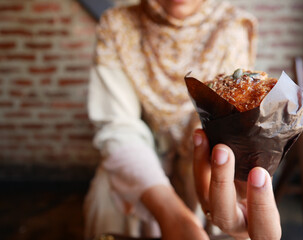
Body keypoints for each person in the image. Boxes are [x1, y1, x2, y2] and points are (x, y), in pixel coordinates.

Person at [84, 0, 281, 239]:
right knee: (105, 196)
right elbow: (118, 127)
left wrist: (223, 176)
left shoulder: (232, 26)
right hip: (137, 160)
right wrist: (173, 215)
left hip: (204, 165)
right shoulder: (117, 26)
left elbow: (227, 124)